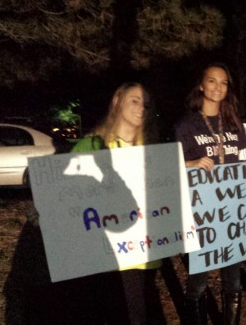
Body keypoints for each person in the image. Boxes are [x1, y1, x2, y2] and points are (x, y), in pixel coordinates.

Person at [71, 82, 165, 325]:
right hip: (107, 257)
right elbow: (67, 199)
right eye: (134, 100)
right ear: (117, 102)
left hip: (145, 253)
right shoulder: (91, 146)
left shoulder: (154, 152)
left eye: (146, 102)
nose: (141, 107)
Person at [174, 62, 246, 325]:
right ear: (201, 85)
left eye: (224, 82)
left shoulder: (234, 123)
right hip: (201, 213)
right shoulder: (186, 124)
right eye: (212, 81)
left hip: (232, 210)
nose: (218, 86)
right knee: (198, 280)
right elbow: (168, 167)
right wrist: (190, 164)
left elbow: (243, 161)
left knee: (233, 280)